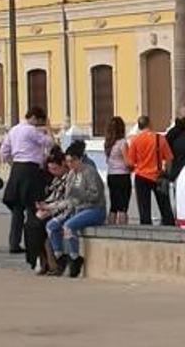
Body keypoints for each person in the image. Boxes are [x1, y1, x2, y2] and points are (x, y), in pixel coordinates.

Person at [45, 142, 107, 277]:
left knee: (68, 226)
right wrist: (49, 207)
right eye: (67, 161)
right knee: (51, 226)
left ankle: (74, 258)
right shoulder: (72, 174)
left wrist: (79, 194)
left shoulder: (89, 172)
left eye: (72, 161)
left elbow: (96, 195)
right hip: (75, 209)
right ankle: (60, 257)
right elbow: (68, 198)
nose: (70, 164)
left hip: (94, 209)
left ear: (80, 159)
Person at [0, 106, 53, 254]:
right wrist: (48, 129)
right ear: (35, 117)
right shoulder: (30, 130)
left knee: (17, 210)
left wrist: (14, 164)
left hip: (17, 169)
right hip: (31, 170)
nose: (39, 125)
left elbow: (4, 152)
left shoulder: (13, 130)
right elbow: (49, 143)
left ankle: (14, 243)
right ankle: (33, 242)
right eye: (39, 121)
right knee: (33, 208)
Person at [127, 116, 175, 226]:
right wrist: (167, 174)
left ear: (139, 126)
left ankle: (146, 233)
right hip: (158, 176)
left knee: (144, 211)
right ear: (150, 124)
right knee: (165, 208)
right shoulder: (160, 138)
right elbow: (169, 159)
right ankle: (170, 230)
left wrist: (136, 168)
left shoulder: (135, 140)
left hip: (141, 177)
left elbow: (130, 162)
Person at [32, 147, 68, 274]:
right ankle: (41, 259)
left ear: (63, 165)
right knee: (31, 225)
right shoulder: (56, 179)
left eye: (55, 169)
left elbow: (66, 202)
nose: (52, 172)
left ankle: (51, 262)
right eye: (50, 169)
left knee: (40, 226)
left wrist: (48, 208)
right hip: (54, 209)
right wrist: (43, 205)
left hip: (64, 212)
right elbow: (52, 198)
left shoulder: (69, 179)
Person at [104, 117, 132, 225]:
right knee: (123, 207)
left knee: (114, 206)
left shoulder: (108, 143)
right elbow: (127, 162)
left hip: (111, 175)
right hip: (122, 176)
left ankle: (111, 228)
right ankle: (123, 230)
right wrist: (133, 166)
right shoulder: (122, 143)